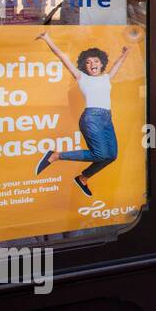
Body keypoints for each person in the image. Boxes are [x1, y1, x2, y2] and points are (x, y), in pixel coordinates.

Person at [33, 32, 130, 197]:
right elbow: (61, 56)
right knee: (99, 154)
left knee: (111, 155)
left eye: (96, 61)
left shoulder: (106, 78)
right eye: (88, 62)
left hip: (107, 119)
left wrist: (125, 52)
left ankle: (83, 178)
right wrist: (47, 38)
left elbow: (118, 62)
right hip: (91, 118)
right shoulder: (81, 77)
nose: (92, 64)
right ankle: (56, 155)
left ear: (101, 64)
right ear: (84, 66)